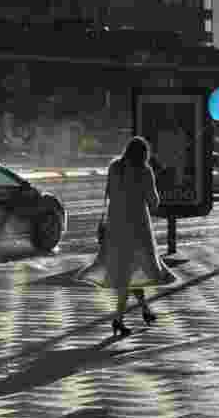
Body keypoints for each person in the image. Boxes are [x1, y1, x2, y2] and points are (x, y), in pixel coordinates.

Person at [76, 136, 177, 336]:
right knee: (129, 275)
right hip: (137, 230)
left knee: (130, 271)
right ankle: (118, 320)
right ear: (144, 154)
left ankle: (146, 310)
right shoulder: (144, 171)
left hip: (115, 228)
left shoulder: (115, 167)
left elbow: (109, 193)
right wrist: (156, 183)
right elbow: (153, 202)